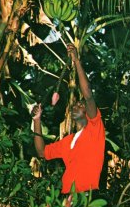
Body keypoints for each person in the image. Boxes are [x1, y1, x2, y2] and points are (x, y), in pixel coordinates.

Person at [32, 43, 105, 195]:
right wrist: (37, 120)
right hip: (67, 198)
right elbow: (41, 152)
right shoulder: (68, 141)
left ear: (88, 111)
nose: (75, 106)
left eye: (80, 104)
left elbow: (88, 94)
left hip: (86, 196)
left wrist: (76, 61)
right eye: (75, 104)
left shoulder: (94, 128)